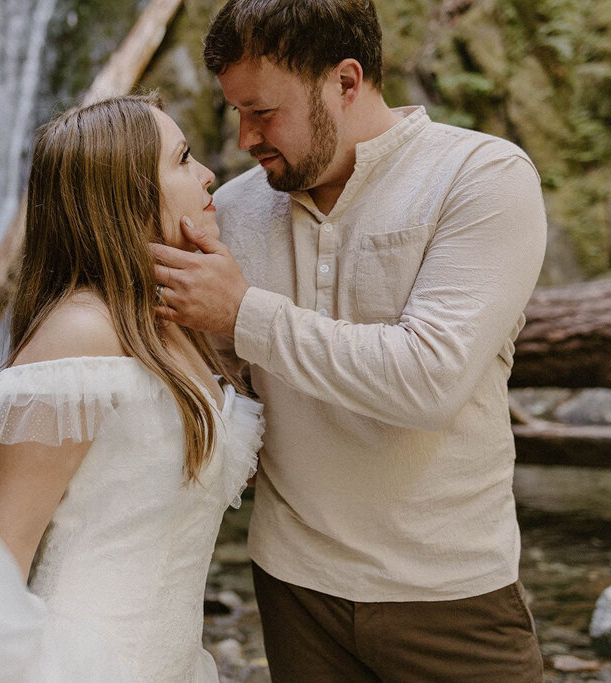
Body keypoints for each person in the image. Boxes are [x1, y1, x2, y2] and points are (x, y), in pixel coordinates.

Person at [150, 1, 547, 680]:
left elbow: (429, 382)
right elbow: (216, 389)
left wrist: (242, 312)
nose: (244, 138)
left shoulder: (483, 178)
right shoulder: (237, 210)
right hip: (294, 586)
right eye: (236, 112)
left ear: (346, 80)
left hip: (450, 595)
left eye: (263, 112)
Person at [0, 94, 264, 681]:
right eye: (183, 158)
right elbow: (3, 556)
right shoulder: (77, 334)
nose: (208, 174)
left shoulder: (168, 321)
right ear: (125, 190)